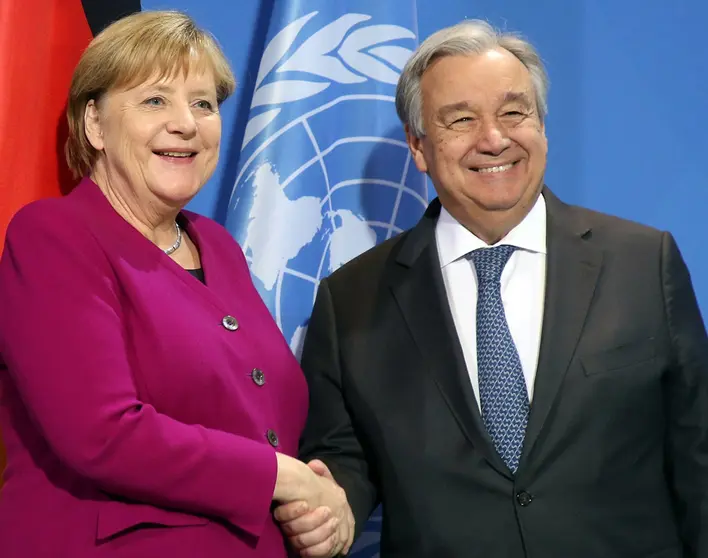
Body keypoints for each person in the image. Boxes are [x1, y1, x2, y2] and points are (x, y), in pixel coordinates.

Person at [276, 19, 708, 558]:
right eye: (461, 119)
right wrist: (332, 506)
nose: (495, 138)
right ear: (419, 146)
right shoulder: (352, 299)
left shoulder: (644, 262)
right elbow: (347, 459)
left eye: (513, 112)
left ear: (542, 124)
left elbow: (697, 452)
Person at [0, 11, 353, 558]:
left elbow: (264, 420)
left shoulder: (218, 246)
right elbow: (103, 434)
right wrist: (283, 477)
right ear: (95, 124)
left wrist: (323, 502)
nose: (186, 123)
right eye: (154, 100)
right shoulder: (54, 237)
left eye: (204, 103)